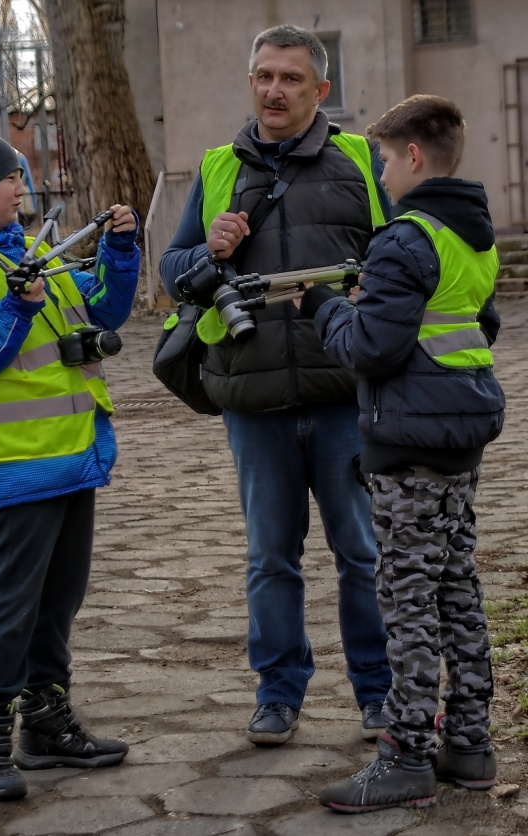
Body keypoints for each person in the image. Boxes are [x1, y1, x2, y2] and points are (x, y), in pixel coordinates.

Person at [159, 24, 392, 746]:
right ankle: (278, 693)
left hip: (344, 397)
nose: (274, 90)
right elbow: (172, 273)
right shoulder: (219, 166)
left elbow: (401, 261)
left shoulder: (359, 160)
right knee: (270, 557)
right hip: (253, 401)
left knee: (361, 552)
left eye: (291, 78)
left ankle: (379, 694)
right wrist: (209, 250)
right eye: (263, 76)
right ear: (250, 82)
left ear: (320, 90)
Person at [0, 114, 140, 802]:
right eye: (13, 174)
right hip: (17, 462)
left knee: (58, 600)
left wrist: (120, 254)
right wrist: (13, 310)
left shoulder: (28, 255)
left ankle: (45, 723)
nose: (23, 185)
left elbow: (101, 317)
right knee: (12, 604)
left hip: (76, 456)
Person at [298, 94, 505, 812]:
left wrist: (327, 308)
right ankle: (471, 744)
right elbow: (481, 322)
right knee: (456, 590)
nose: (382, 174)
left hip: (408, 446)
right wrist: (380, 301)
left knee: (409, 600)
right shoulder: (473, 235)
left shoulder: (405, 238)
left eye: (385, 158)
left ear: (413, 155)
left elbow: (371, 348)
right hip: (457, 441)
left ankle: (406, 753)